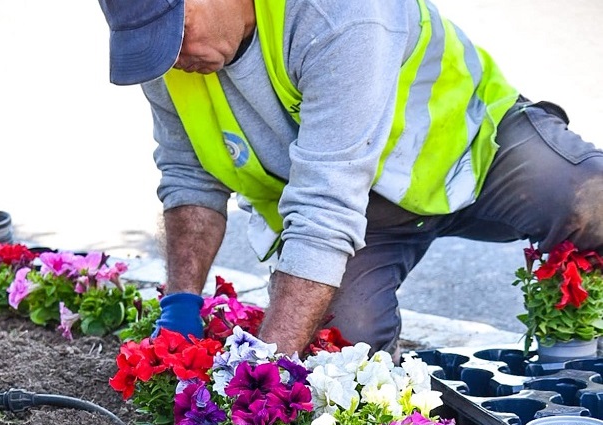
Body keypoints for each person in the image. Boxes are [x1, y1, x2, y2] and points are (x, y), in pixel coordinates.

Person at [96, 0, 603, 361]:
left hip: (472, 152)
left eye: (178, 30)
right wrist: (181, 303)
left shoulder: (336, 12)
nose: (173, 57)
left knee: (588, 200)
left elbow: (324, 205)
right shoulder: (166, 55)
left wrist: (265, 370)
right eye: (152, 44)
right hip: (364, 217)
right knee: (346, 345)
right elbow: (189, 175)